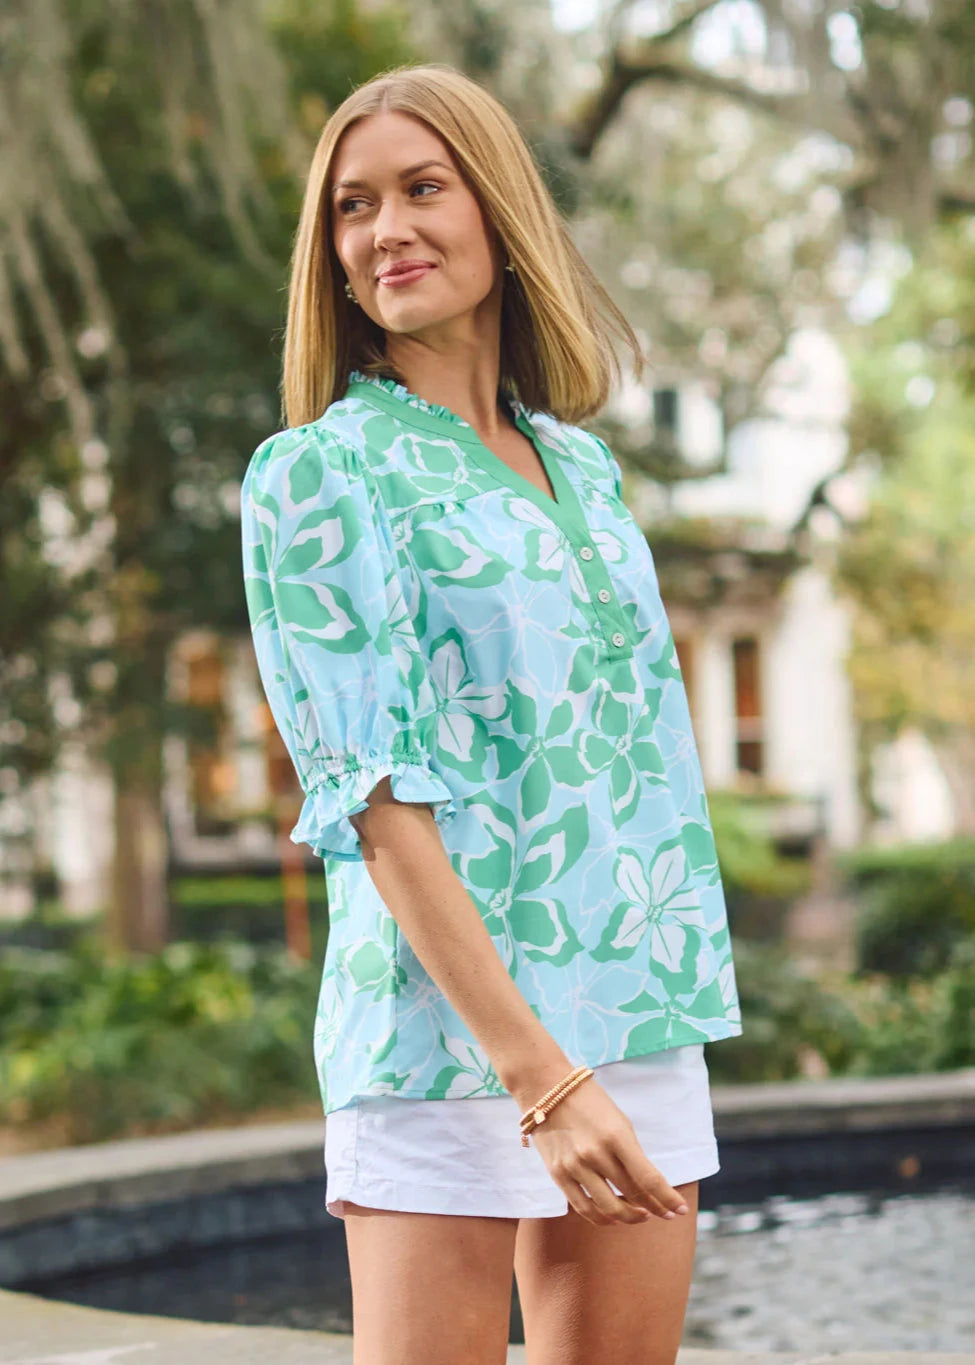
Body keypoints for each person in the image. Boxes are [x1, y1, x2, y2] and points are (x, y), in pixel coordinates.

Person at [240, 60, 743, 1365]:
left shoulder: (585, 468)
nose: (385, 230)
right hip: (445, 1038)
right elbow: (374, 804)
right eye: (353, 206)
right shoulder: (319, 475)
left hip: (635, 999)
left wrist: (593, 1063)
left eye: (423, 188)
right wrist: (541, 1079)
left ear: (499, 208)